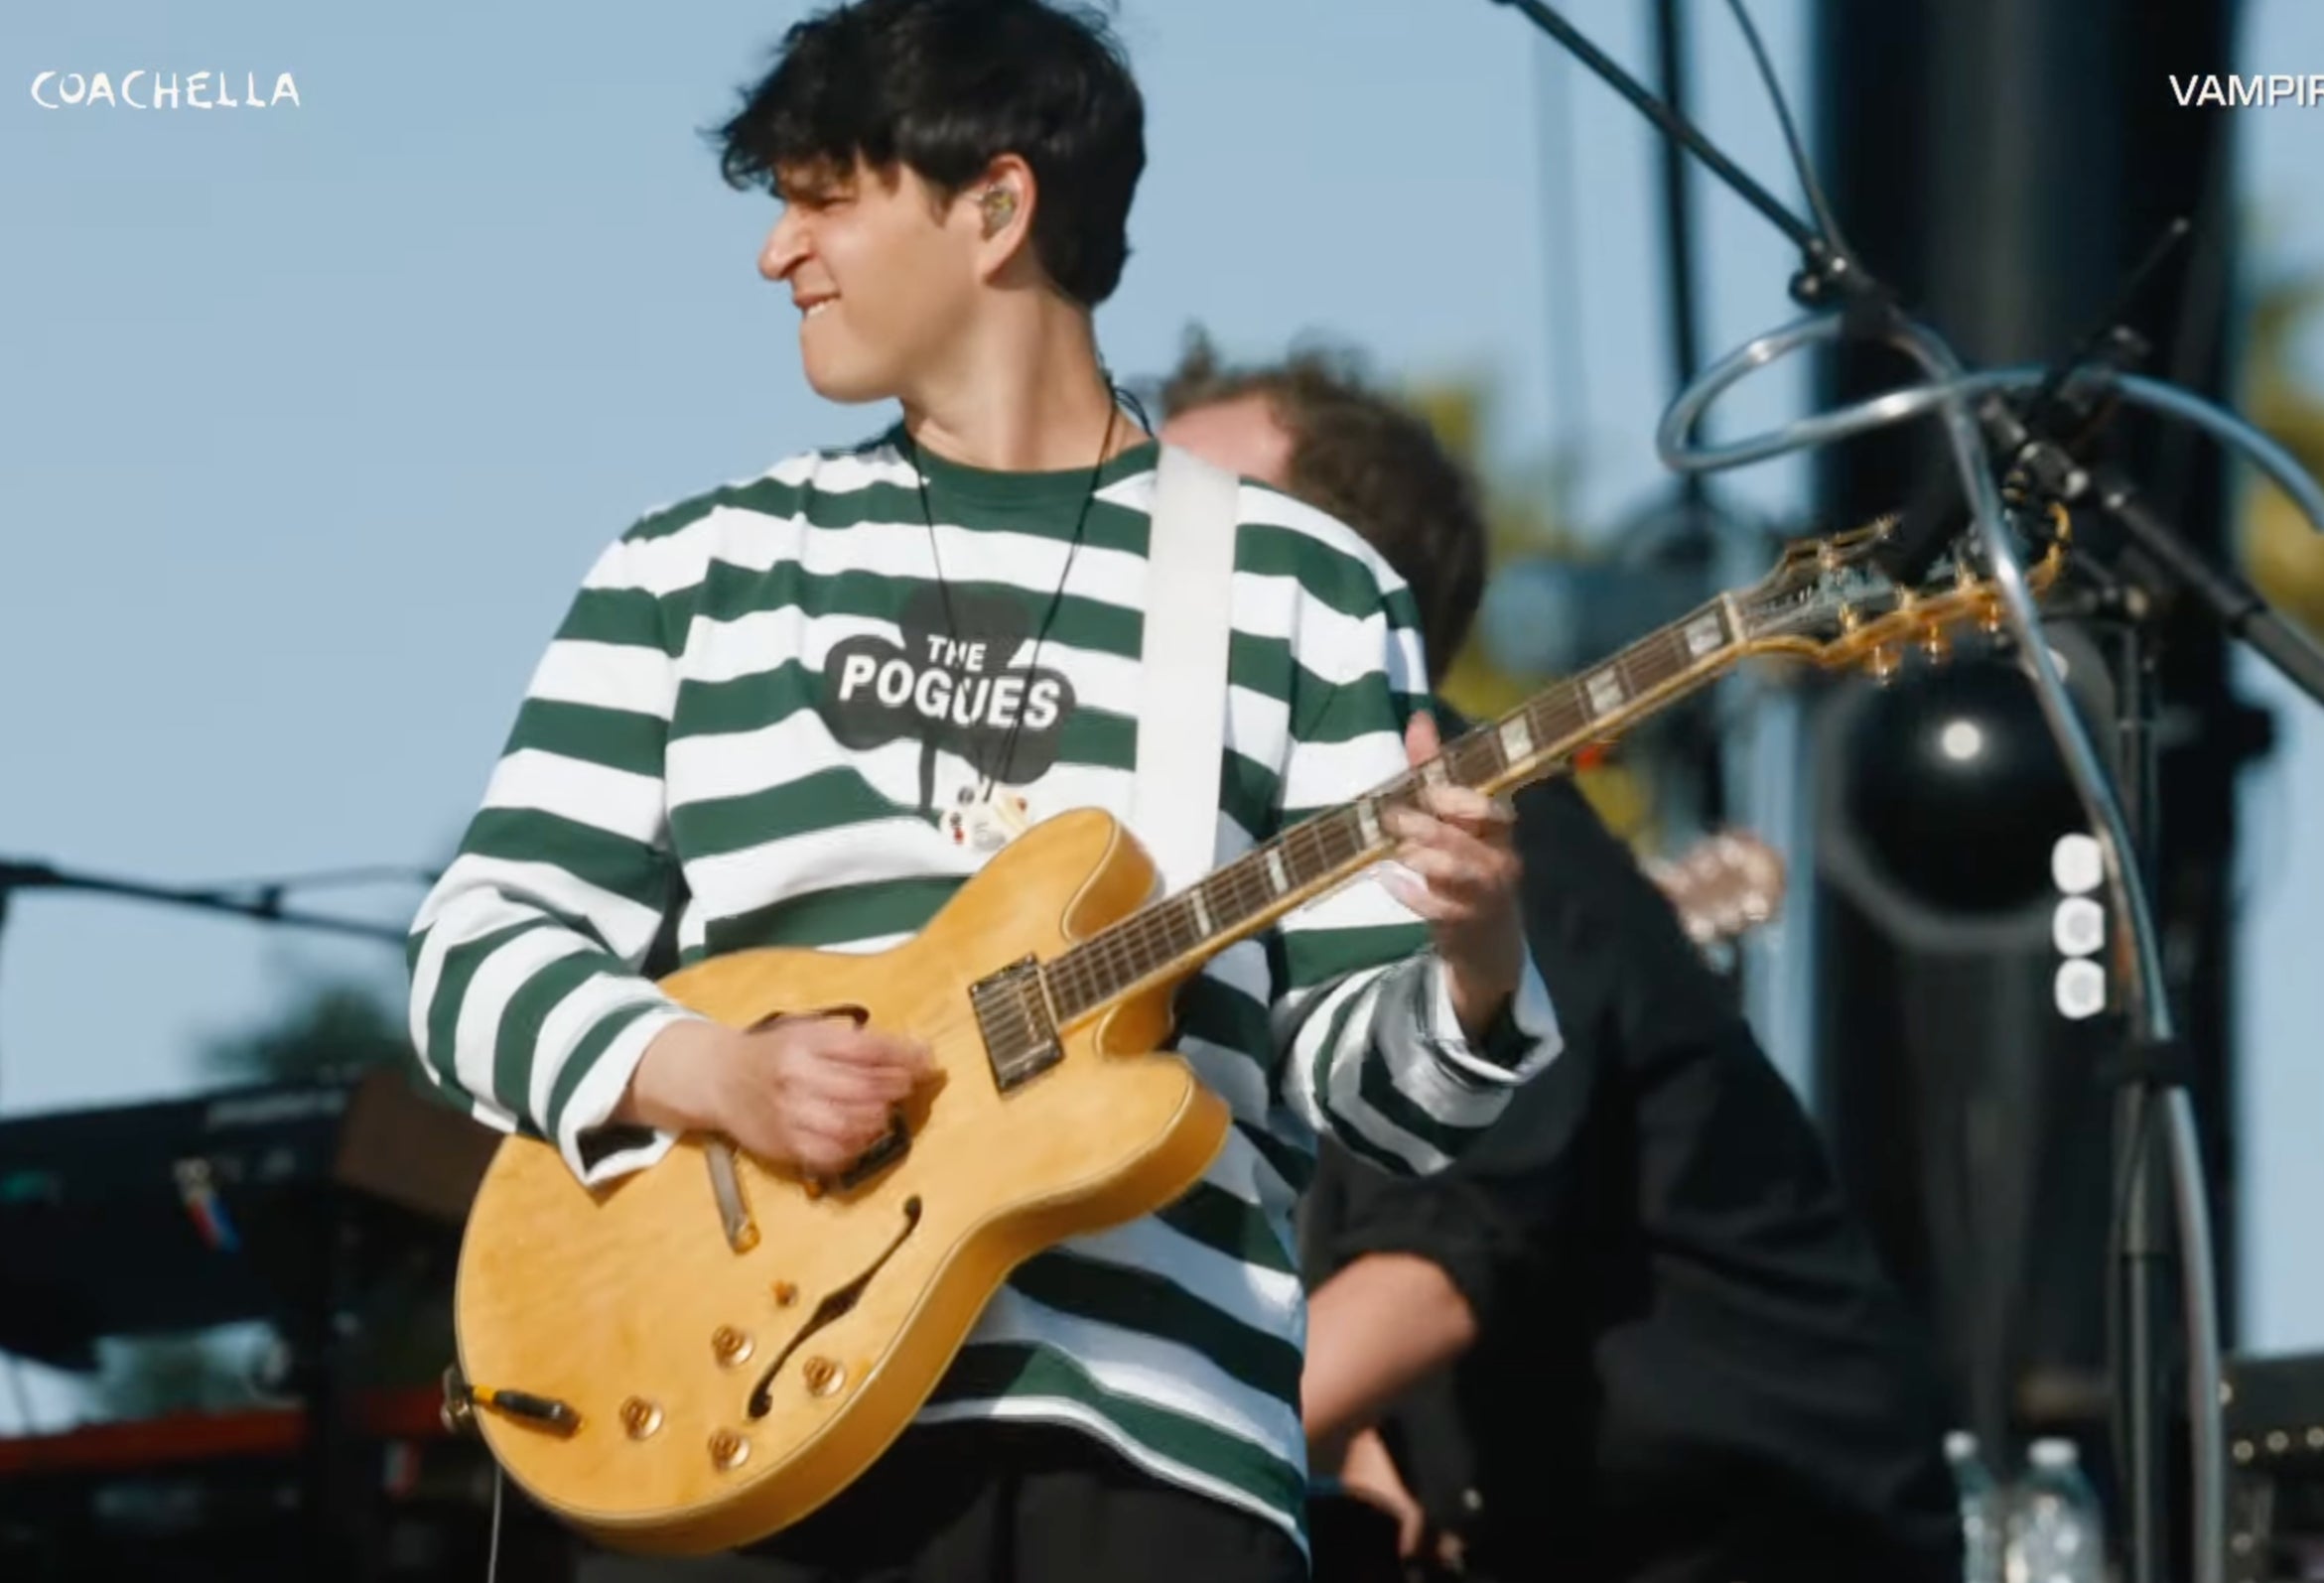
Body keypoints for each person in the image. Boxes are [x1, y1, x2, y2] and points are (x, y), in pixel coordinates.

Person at [404, 5, 1565, 1581]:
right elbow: (475, 952)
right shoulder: (697, 566)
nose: (778, 253)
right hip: (721, 1416)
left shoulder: (1300, 586)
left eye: (825, 199)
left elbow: (1383, 1101)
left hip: (1148, 1448)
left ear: (996, 209)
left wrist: (1479, 953)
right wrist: (707, 1072)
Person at [1158, 334, 1966, 1583]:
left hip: (1762, 1532)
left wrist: (1127, 1466)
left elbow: (1437, 1266)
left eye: (1180, 517)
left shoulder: (1487, 820)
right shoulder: (1240, 875)